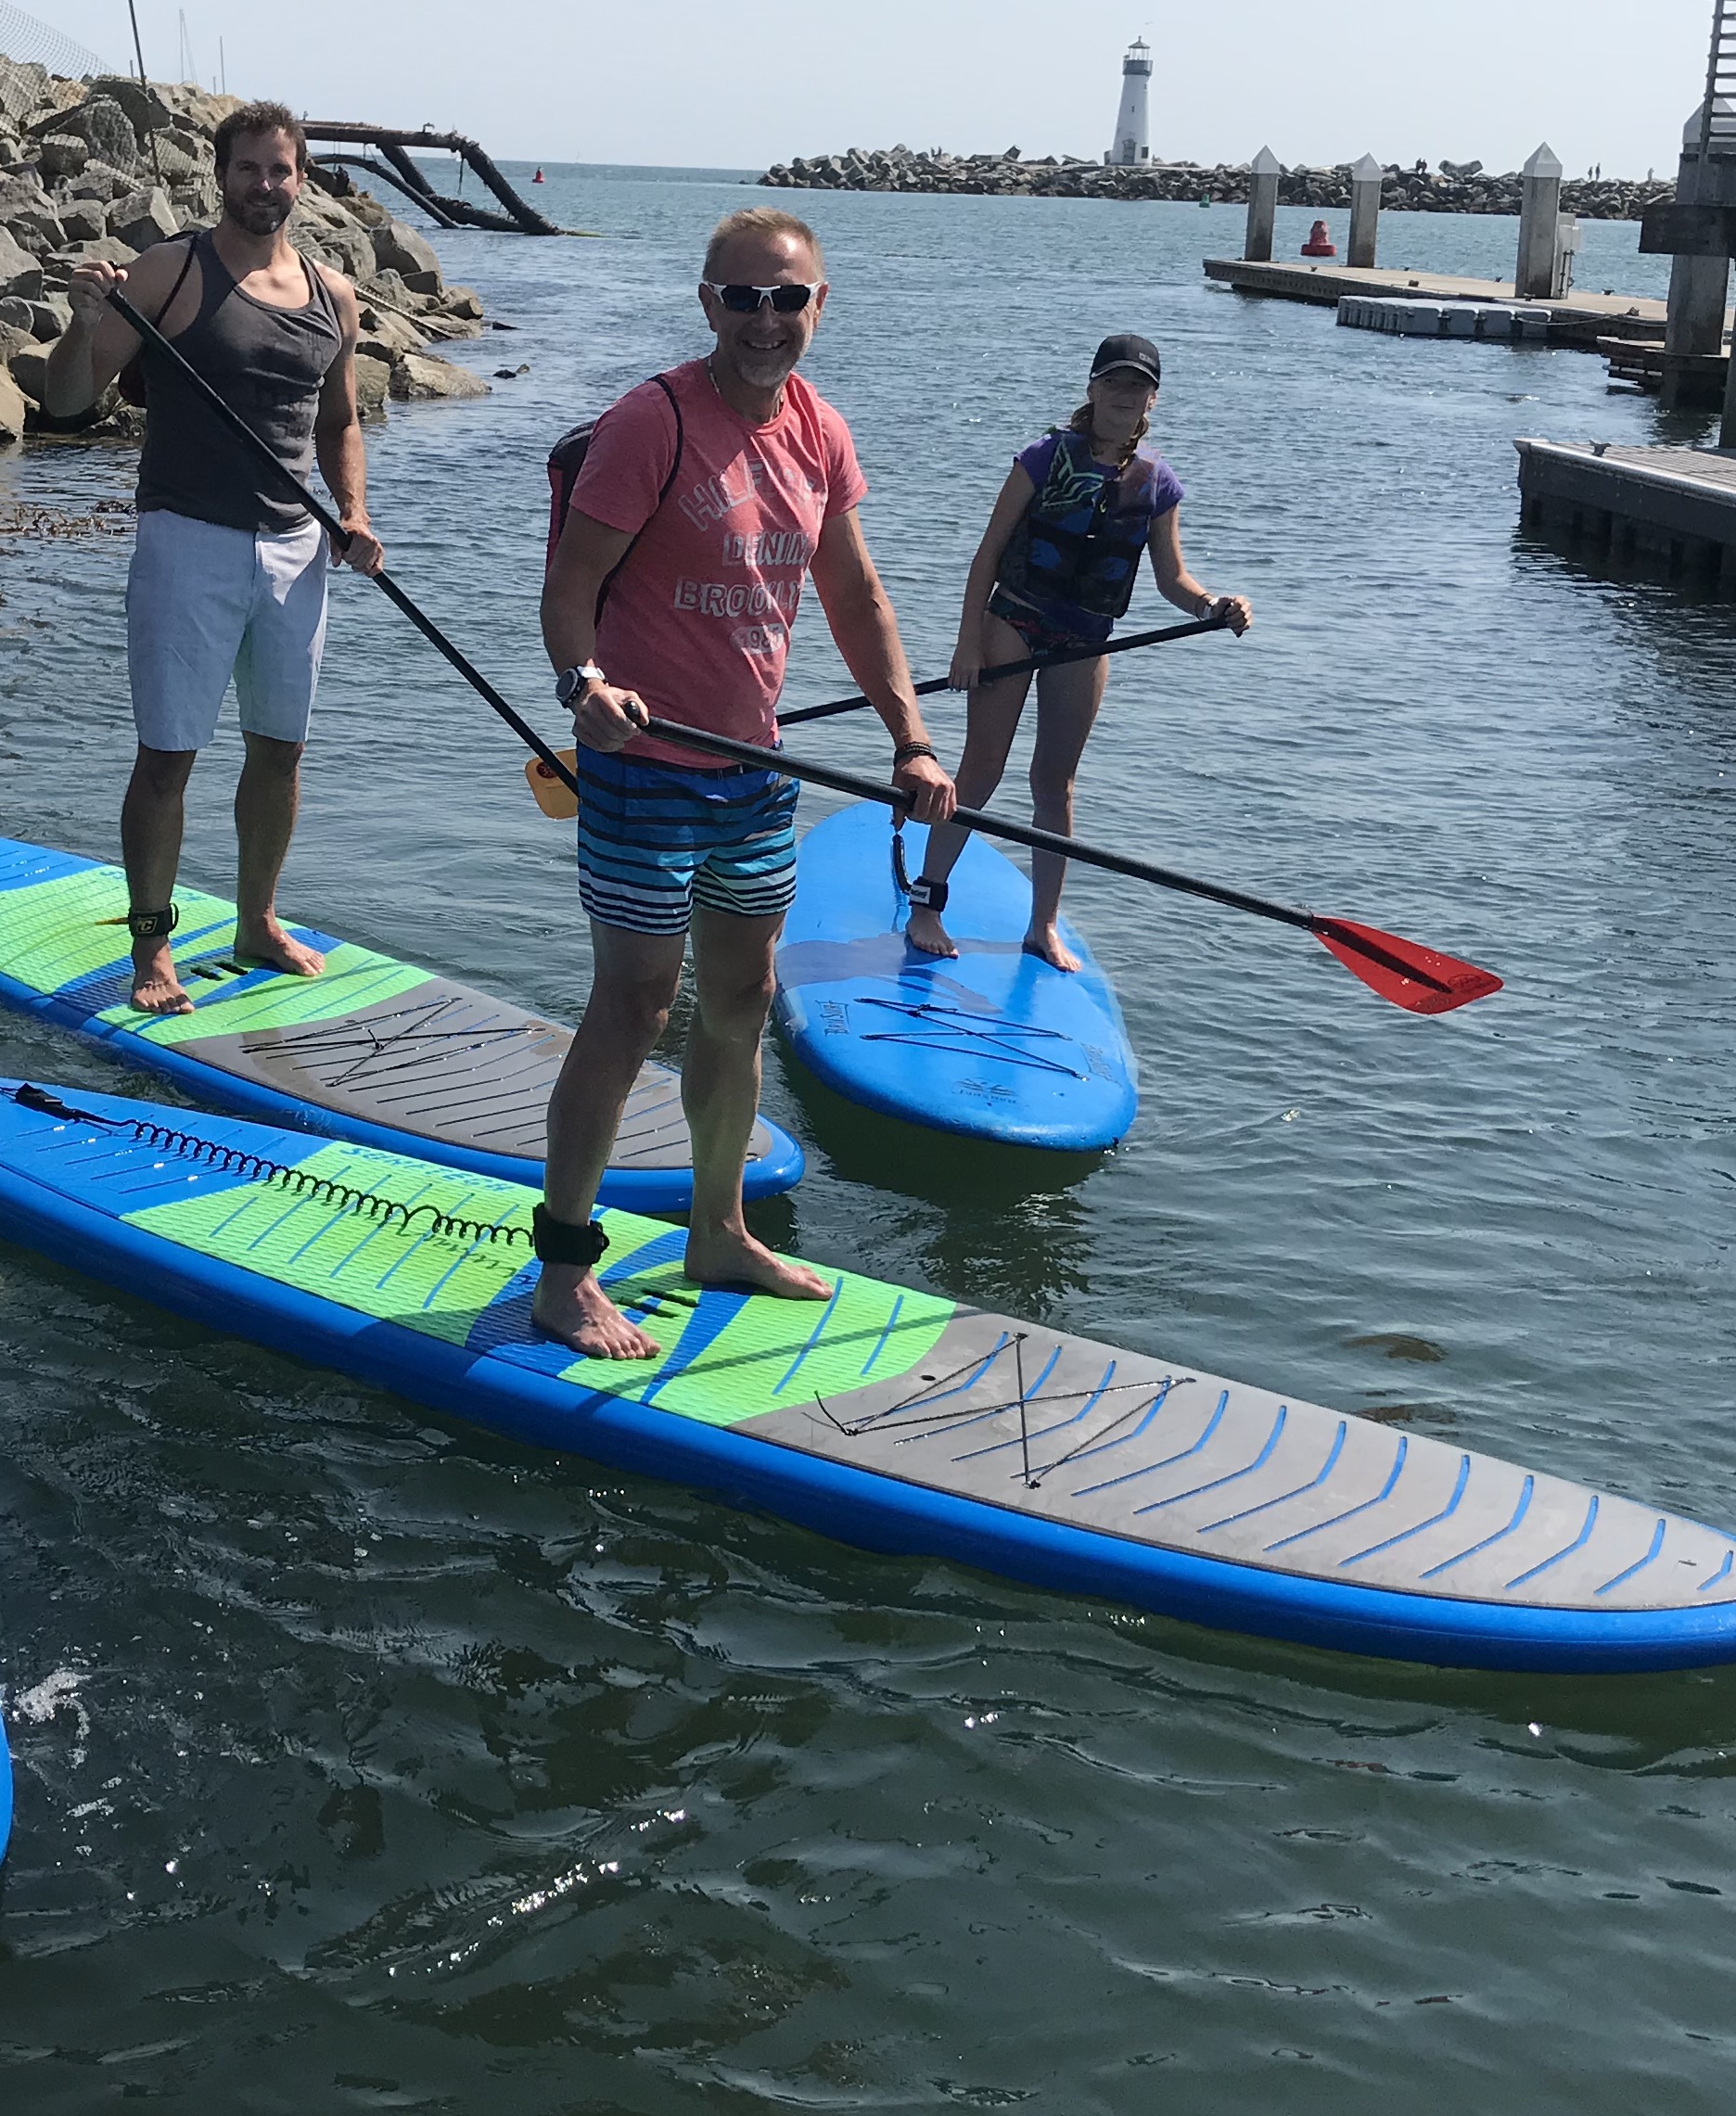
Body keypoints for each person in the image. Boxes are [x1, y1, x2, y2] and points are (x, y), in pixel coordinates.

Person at [534, 207, 956, 1361]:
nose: (767, 321)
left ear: (822, 306)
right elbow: (569, 590)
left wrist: (911, 740)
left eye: (790, 299)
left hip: (753, 779)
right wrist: (584, 684)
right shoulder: (650, 422)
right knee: (630, 1007)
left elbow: (857, 599)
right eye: (744, 298)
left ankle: (716, 1231)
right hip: (639, 770)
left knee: (737, 1004)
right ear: (707, 302)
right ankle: (564, 1269)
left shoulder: (819, 430)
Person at [40, 98, 380, 1014]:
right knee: (169, 758)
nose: (265, 185)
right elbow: (68, 404)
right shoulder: (169, 270)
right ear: (220, 174)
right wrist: (81, 321)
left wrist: (352, 511)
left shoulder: (332, 294)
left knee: (281, 752)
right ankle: (153, 949)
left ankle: (255, 921)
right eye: (249, 169)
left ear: (301, 179)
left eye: (282, 170)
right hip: (186, 540)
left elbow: (339, 421)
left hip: (297, 549)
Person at [903, 333, 1248, 971]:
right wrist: (966, 644)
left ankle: (1044, 925)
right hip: (1015, 620)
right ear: (1091, 389)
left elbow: (1174, 579)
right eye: (1113, 383)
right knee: (982, 770)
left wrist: (1211, 606)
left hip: (1086, 639)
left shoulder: (1157, 484)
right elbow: (988, 553)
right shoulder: (1042, 457)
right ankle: (927, 903)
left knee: (1055, 786)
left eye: (1137, 386)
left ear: (1153, 400)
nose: (1124, 396)